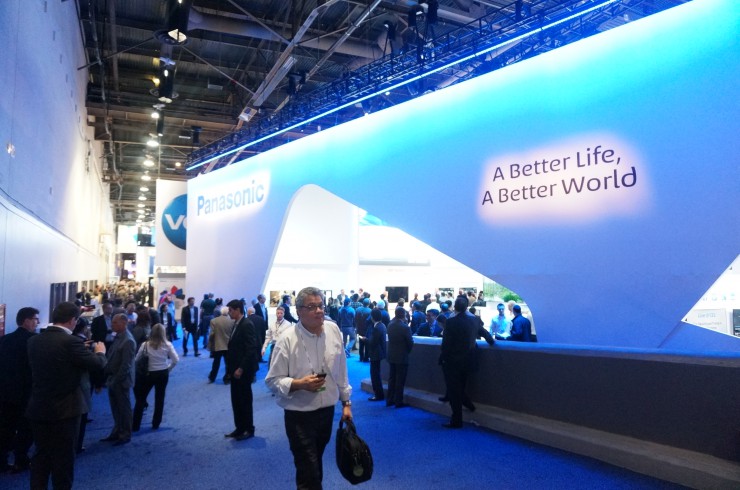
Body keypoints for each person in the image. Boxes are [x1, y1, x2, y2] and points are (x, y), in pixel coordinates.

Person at [265, 287, 352, 490]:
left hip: (326, 411)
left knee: (315, 461)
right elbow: (272, 380)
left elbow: (341, 369)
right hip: (299, 415)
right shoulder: (287, 339)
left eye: (321, 305)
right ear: (299, 311)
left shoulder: (333, 330)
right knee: (308, 467)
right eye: (312, 307)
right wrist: (298, 384)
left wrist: (346, 402)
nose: (319, 310)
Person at [26, 302, 106, 489]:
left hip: (38, 406)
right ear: (72, 320)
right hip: (65, 409)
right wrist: (100, 352)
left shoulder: (34, 340)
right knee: (63, 459)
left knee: (41, 456)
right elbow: (96, 364)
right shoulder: (71, 342)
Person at [439, 296, 494, 429]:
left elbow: (445, 344)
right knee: (461, 387)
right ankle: (469, 405)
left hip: (452, 362)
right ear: (466, 307)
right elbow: (486, 334)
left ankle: (457, 420)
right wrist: (491, 342)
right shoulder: (474, 320)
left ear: (455, 308)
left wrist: (443, 358)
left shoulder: (451, 322)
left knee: (454, 390)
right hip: (469, 360)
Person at [0, 307, 39, 473]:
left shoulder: (5, 339)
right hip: (26, 393)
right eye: (35, 319)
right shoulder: (34, 341)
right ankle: (21, 459)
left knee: (5, 428)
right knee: (26, 428)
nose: (37, 323)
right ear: (27, 321)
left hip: (6, 392)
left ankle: (2, 461)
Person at [224, 299, 260, 441]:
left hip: (242, 371)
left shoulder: (246, 324)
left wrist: (241, 368)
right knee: (236, 401)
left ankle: (248, 429)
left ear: (238, 310)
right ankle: (239, 428)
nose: (229, 313)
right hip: (234, 370)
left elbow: (251, 348)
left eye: (231, 310)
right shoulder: (236, 324)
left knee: (244, 400)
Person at [132, 323, 179, 431]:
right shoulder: (168, 344)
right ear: (164, 332)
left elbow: (136, 360)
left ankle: (135, 425)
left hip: (148, 374)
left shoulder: (145, 345)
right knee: (160, 398)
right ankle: (156, 423)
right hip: (162, 373)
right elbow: (176, 360)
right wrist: (168, 368)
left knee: (141, 399)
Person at [101, 313, 136, 445]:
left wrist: (116, 380)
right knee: (115, 408)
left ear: (124, 323)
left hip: (121, 381)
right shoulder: (118, 337)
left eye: (115, 323)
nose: (112, 325)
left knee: (124, 409)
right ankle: (117, 431)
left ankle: (125, 434)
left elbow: (126, 366)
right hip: (113, 379)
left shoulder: (128, 341)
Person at [386, 307, 413, 408]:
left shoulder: (390, 325)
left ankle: (389, 400)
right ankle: (398, 401)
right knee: (400, 380)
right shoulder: (405, 327)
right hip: (402, 357)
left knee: (392, 379)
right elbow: (410, 343)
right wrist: (407, 351)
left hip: (391, 355)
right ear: (404, 315)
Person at [366, 308, 387, 401]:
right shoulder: (382, 325)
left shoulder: (377, 328)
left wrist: (365, 339)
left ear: (373, 317)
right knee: (376, 374)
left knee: (375, 375)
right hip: (379, 353)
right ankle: (379, 394)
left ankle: (378, 395)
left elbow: (372, 341)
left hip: (375, 354)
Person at [208, 307, 233, 384]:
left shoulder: (214, 321)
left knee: (216, 362)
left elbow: (212, 334)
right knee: (228, 363)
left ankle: (212, 377)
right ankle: (227, 378)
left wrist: (210, 344)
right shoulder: (232, 321)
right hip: (228, 345)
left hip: (218, 345)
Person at [354, 298, 371, 362]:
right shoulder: (370, 310)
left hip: (360, 329)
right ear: (368, 304)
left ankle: (361, 357)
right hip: (367, 330)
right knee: (367, 344)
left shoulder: (358, 309)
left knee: (361, 344)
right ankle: (366, 358)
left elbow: (355, 319)